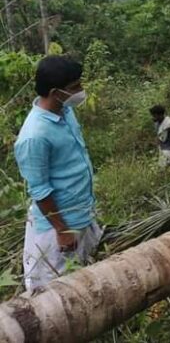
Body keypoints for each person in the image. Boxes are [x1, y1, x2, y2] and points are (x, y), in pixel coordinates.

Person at [14, 55, 102, 292]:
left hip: (82, 215)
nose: (81, 91)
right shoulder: (34, 136)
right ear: (55, 92)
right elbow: (40, 190)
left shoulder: (65, 111)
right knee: (56, 294)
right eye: (75, 88)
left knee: (83, 281)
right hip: (58, 231)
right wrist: (62, 230)